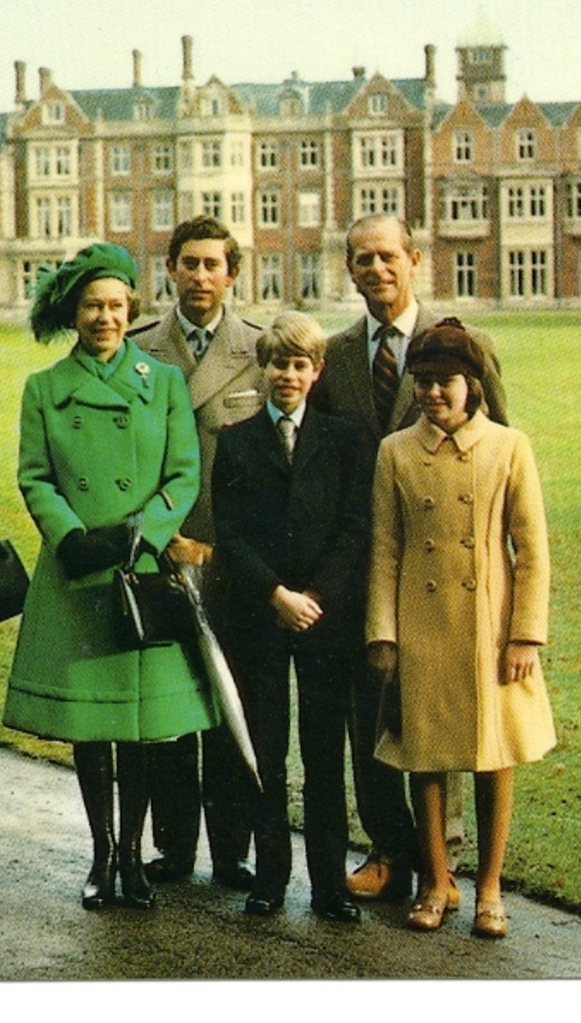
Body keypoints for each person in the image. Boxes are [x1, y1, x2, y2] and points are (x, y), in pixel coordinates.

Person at [2, 242, 218, 911]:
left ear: (132, 310)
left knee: (141, 726)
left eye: (116, 306)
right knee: (94, 731)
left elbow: (184, 474)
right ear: (75, 312)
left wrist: (140, 534)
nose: (105, 318)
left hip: (142, 573)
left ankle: (133, 854)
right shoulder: (44, 389)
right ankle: (102, 855)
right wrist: (72, 537)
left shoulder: (165, 383)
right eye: (93, 306)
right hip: (78, 574)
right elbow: (34, 475)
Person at [313, 214, 509, 904]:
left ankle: (443, 862)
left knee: (445, 709)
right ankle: (389, 848)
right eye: (362, 259)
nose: (377, 270)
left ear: (415, 259)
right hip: (361, 565)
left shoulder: (463, 344)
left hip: (448, 573)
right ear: (349, 268)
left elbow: (498, 452)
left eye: (388, 256)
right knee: (370, 715)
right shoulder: (334, 356)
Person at [365, 317, 554, 938]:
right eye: (422, 382)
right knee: (425, 755)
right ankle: (435, 881)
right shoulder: (395, 451)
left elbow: (531, 549)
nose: (432, 394)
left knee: (495, 755)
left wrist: (525, 634)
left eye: (445, 382)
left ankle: (490, 889)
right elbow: (386, 549)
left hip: (491, 627)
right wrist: (383, 632)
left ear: (472, 384)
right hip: (421, 624)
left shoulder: (508, 446)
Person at [210, 312, 371, 921]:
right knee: (267, 751)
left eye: (301, 365)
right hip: (262, 614)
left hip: (324, 619)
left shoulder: (342, 438)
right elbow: (231, 531)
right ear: (264, 367)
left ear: (317, 372)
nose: (288, 375)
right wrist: (277, 595)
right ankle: (270, 877)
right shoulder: (239, 439)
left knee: (324, 756)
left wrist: (316, 598)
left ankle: (329, 883)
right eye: (279, 363)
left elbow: (355, 529)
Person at [130, 215, 262, 889]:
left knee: (228, 699)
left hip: (232, 559)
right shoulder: (138, 347)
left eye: (214, 265)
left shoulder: (260, 351)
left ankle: (232, 849)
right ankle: (173, 847)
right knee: (169, 707)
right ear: (171, 271)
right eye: (190, 264)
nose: (201, 277)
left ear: (233, 273)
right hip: (160, 556)